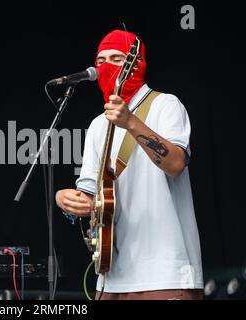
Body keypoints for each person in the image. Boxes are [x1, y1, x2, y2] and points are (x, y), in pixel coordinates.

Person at [55, 29, 203, 300]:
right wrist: (69, 202)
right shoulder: (98, 125)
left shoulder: (166, 105)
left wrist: (131, 123)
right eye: (100, 61)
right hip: (111, 275)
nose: (105, 66)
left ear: (136, 63)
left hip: (164, 270)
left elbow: (175, 163)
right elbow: (89, 197)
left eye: (116, 58)